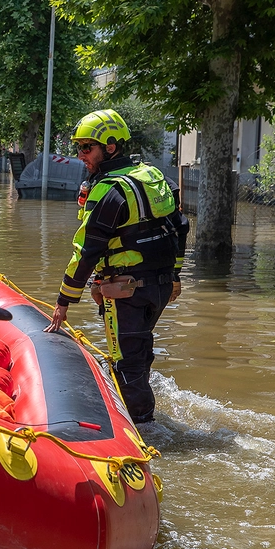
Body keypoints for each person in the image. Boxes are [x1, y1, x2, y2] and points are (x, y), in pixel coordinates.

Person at [44, 109, 189, 424]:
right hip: (161, 286)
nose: (80, 155)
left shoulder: (109, 190)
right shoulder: (154, 176)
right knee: (138, 348)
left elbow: (87, 251)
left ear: (110, 147)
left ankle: (141, 428)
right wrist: (175, 275)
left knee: (126, 362)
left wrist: (64, 300)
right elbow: (181, 227)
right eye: (78, 148)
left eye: (86, 147)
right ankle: (140, 404)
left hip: (126, 290)